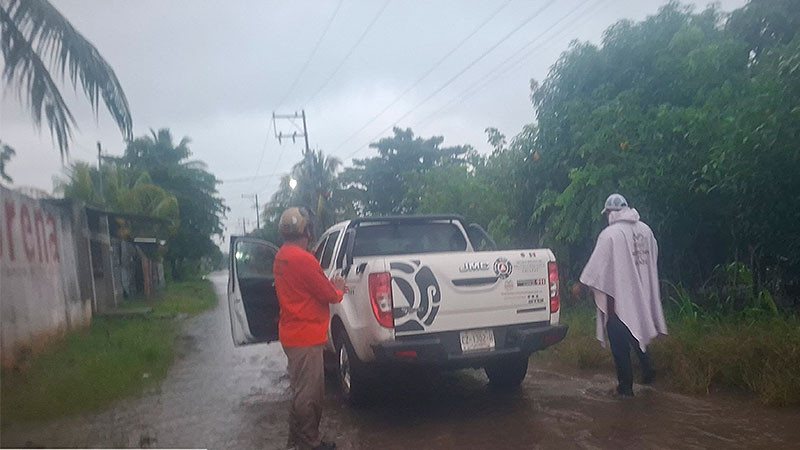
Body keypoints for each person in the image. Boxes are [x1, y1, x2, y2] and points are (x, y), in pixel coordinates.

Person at [573, 194, 667, 397]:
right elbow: (653, 258)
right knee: (636, 328)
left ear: (610, 212)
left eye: (607, 213)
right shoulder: (646, 230)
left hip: (617, 299)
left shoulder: (610, 234)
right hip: (641, 294)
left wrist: (581, 285)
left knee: (618, 341)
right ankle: (648, 371)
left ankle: (625, 388)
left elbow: (597, 265)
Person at [273, 207, 348, 450]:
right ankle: (309, 443)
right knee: (310, 395)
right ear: (306, 230)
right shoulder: (304, 260)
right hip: (305, 337)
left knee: (300, 391)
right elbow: (326, 293)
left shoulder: (282, 256)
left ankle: (296, 441)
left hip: (292, 334)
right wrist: (338, 288)